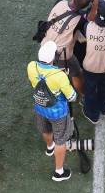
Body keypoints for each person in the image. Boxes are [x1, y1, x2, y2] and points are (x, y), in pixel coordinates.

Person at [27, 41, 77, 182]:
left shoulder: (31, 66)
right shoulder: (59, 75)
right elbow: (72, 97)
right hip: (58, 113)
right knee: (61, 140)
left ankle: (49, 147)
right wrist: (64, 78)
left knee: (45, 129)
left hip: (40, 107)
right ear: (52, 58)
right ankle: (59, 172)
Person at [41, 0, 94, 95]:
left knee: (50, 72)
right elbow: (90, 18)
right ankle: (82, 95)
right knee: (77, 74)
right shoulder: (79, 19)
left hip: (45, 46)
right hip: (61, 55)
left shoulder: (60, 1)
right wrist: (94, 0)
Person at [78, 0, 105, 124]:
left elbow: (88, 20)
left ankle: (92, 114)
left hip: (90, 68)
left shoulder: (88, 26)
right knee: (104, 88)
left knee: (90, 91)